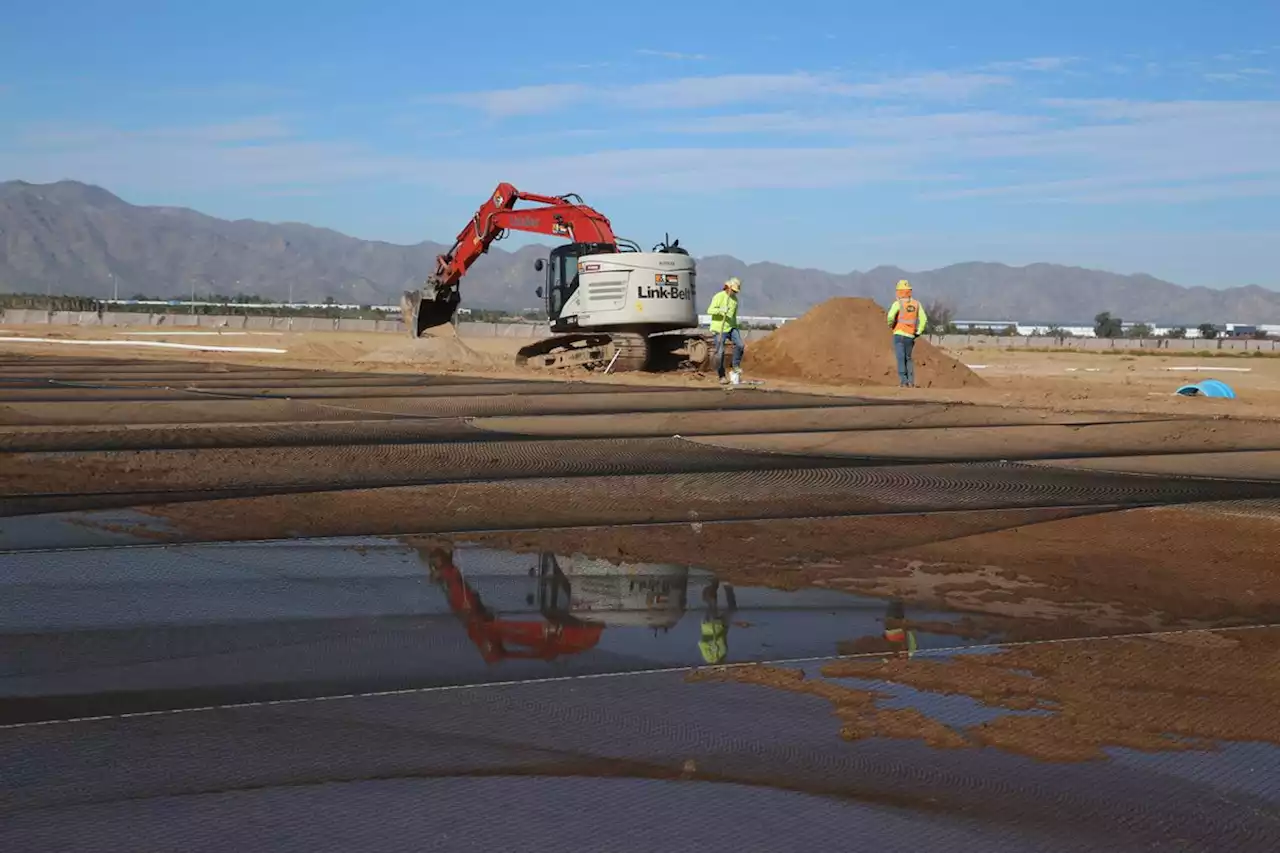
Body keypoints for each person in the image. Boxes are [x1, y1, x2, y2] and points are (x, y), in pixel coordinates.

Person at [886, 279, 928, 387]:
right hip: (910, 336)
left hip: (899, 334)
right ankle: (911, 381)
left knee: (900, 358)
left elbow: (890, 316)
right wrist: (918, 331)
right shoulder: (916, 304)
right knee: (908, 358)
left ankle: (903, 382)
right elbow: (923, 319)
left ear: (899, 291)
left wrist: (891, 325)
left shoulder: (898, 303)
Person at [707, 277, 744, 384]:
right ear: (728, 288)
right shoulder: (719, 296)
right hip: (719, 328)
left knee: (740, 345)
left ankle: (735, 365)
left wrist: (735, 327)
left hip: (731, 327)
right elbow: (710, 310)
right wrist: (720, 310)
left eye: (736, 291)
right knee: (720, 352)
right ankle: (721, 376)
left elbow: (733, 316)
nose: (734, 293)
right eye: (733, 291)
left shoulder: (735, 300)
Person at [698, 578, 738, 664]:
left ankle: (714, 582)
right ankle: (727, 585)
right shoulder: (723, 654)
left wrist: (712, 644)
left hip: (709, 625)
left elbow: (702, 643)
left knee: (712, 603)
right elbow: (723, 638)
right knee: (732, 609)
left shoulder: (708, 658)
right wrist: (725, 628)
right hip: (721, 625)